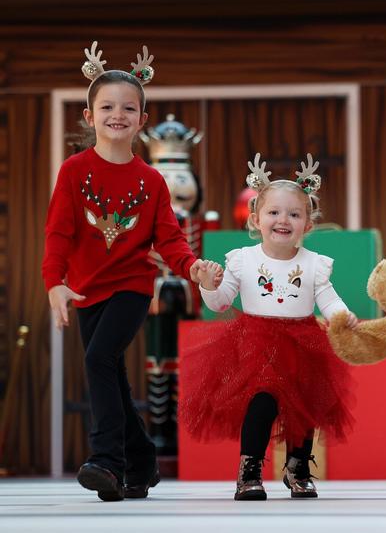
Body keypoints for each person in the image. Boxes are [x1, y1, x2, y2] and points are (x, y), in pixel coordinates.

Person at [42, 42, 209, 501]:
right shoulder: (74, 172)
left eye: (129, 107)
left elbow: (169, 241)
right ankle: (142, 459)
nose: (118, 114)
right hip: (85, 289)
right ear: (89, 116)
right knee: (111, 370)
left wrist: (193, 268)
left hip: (132, 285)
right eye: (107, 106)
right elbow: (57, 233)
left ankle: (107, 462)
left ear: (142, 119)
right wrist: (54, 283)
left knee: (97, 360)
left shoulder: (152, 180)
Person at [181, 153, 358, 501]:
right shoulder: (241, 260)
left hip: (303, 342)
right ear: (256, 219)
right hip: (256, 343)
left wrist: (342, 316)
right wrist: (208, 285)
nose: (283, 220)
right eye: (274, 212)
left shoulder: (314, 265)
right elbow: (220, 304)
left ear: (307, 224)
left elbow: (328, 298)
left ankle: (297, 467)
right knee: (260, 403)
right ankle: (249, 470)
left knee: (303, 405)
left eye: (294, 214)